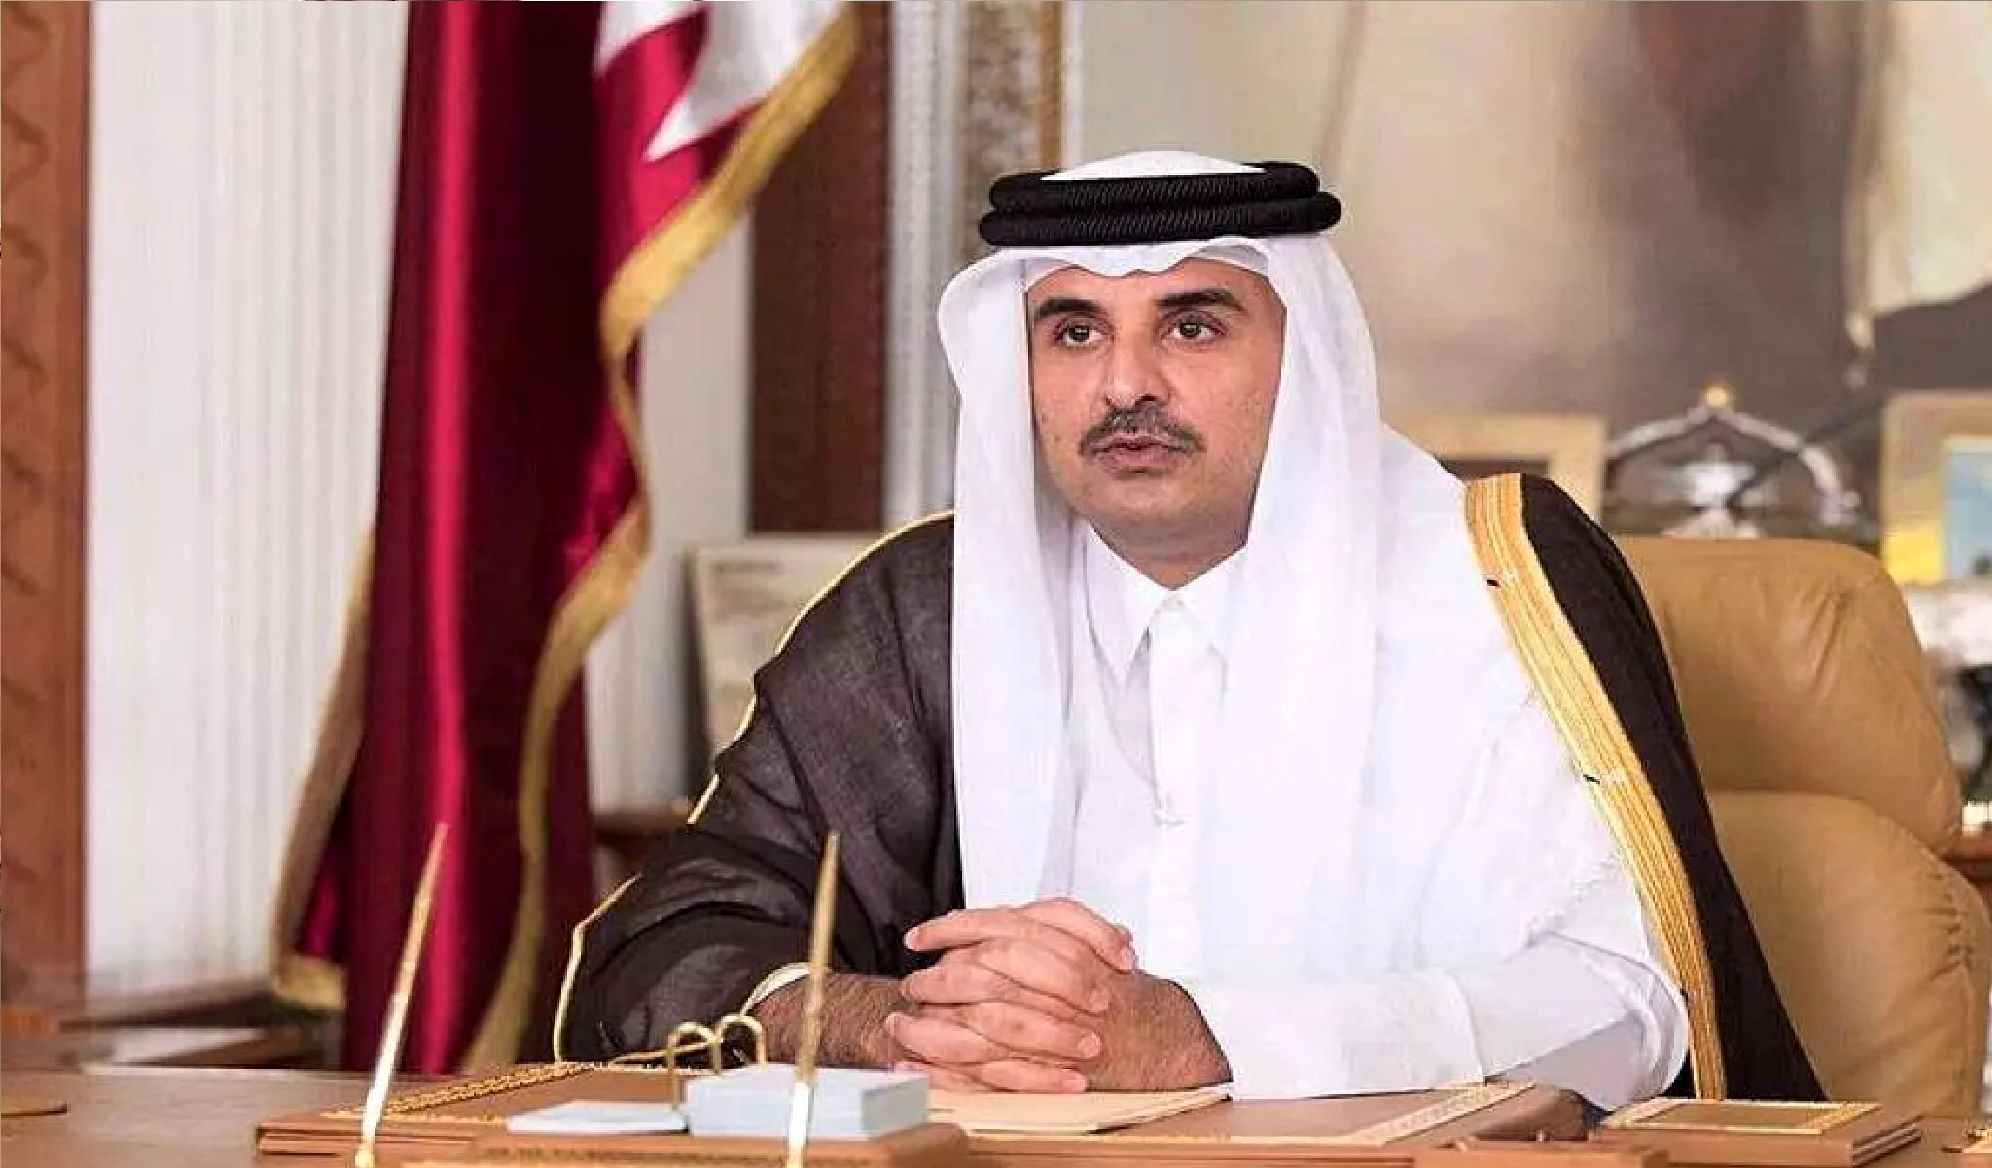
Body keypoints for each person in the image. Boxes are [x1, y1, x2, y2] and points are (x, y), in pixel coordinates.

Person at [556, 151, 1819, 1107]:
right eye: (1073, 331)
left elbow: (1631, 999)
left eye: (1194, 325)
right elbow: (670, 941)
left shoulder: (1499, 578)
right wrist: (891, 1022)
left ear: (1305, 357)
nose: (1126, 385)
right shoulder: (923, 607)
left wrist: (1211, 1039)